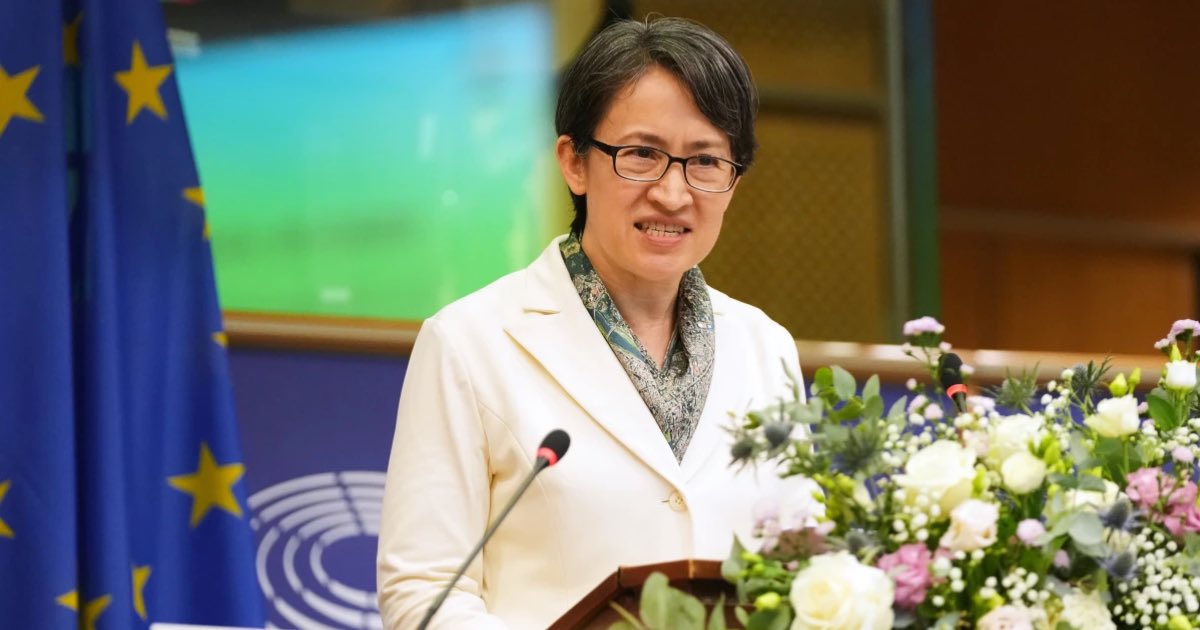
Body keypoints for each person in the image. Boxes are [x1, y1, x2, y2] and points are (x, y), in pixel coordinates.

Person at [377, 16, 802, 629]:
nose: (674, 193)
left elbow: (808, 569)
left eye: (705, 161)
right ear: (574, 162)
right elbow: (424, 593)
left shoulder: (767, 347)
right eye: (641, 155)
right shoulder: (469, 343)